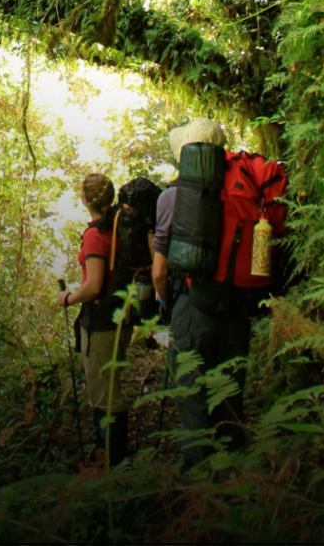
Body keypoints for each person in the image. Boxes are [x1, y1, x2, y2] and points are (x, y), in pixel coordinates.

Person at [151, 118, 258, 468]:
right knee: (229, 390)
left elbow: (159, 271)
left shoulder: (171, 197)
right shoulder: (243, 188)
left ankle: (198, 476)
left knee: (191, 390)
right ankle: (234, 472)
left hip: (191, 303)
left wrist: (166, 303)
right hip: (237, 305)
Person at [57, 173, 133, 467]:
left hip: (100, 322)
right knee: (110, 388)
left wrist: (68, 299)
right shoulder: (118, 226)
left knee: (104, 397)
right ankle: (111, 458)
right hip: (120, 317)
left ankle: (111, 462)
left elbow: (94, 285)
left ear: (86, 199)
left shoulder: (94, 234)